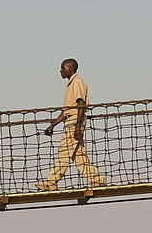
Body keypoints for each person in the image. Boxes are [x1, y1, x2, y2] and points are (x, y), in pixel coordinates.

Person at [38, 58, 106, 190]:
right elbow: (66, 111)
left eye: (63, 68)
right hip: (71, 120)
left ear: (71, 69)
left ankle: (50, 183)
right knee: (79, 157)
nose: (60, 71)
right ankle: (97, 180)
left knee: (64, 152)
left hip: (74, 122)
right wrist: (52, 126)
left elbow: (81, 105)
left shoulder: (78, 82)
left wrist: (77, 127)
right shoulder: (71, 84)